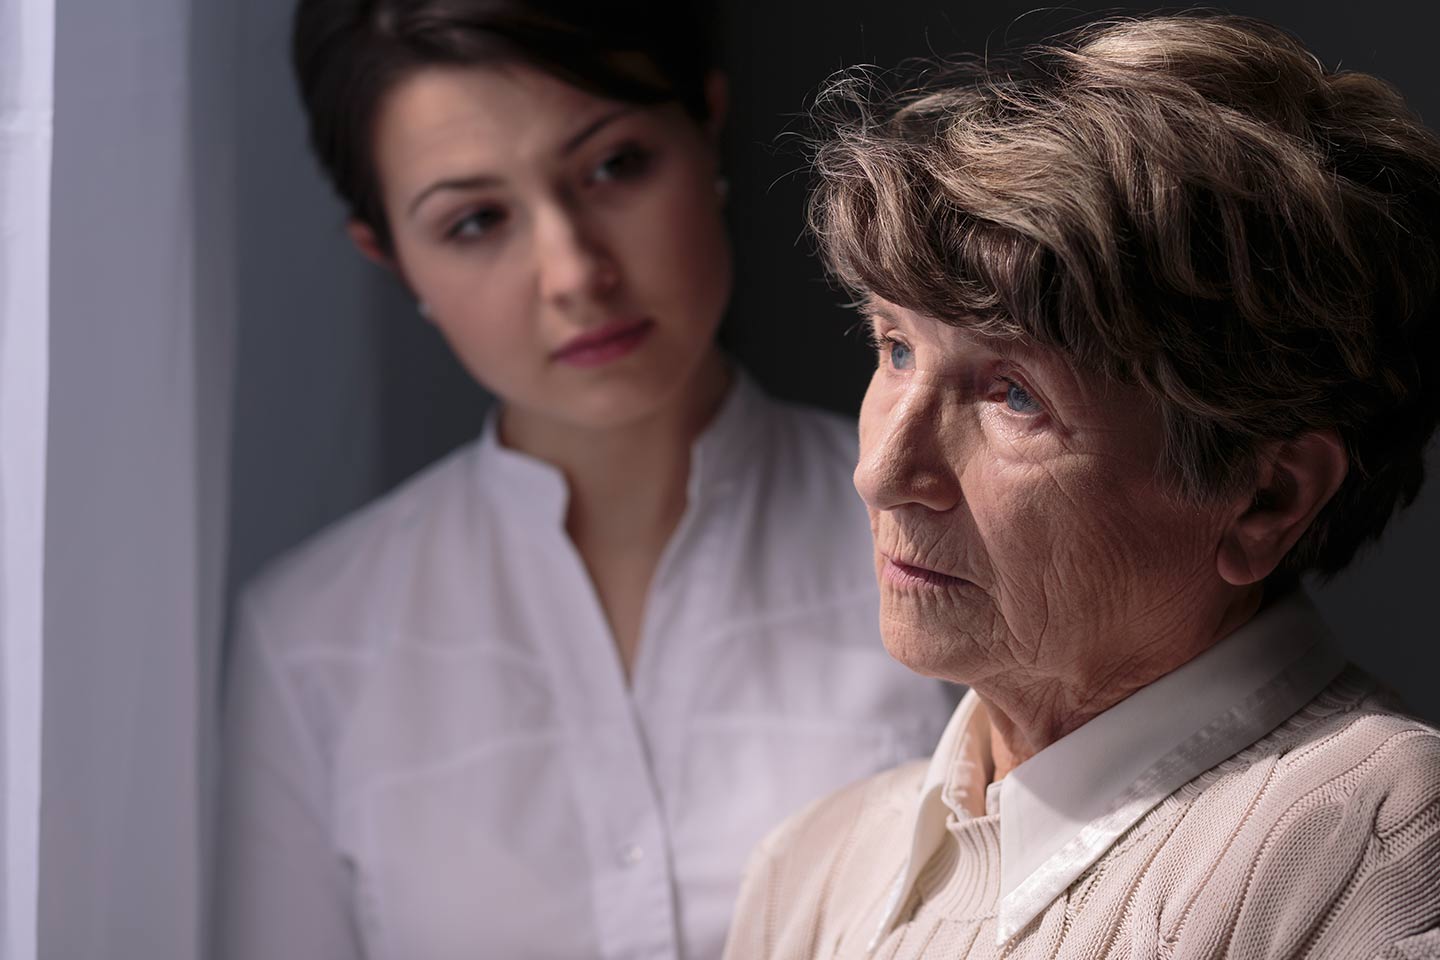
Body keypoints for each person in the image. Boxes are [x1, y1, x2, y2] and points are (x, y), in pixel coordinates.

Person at [210, 2, 957, 958]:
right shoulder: (312, 642)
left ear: (707, 126)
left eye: (615, 166)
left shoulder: (952, 531)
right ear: (391, 257)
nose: (573, 272)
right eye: (476, 221)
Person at [723, 13, 1440, 959]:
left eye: (1015, 394)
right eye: (895, 348)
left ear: (1267, 498)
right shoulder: (808, 872)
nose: (884, 472)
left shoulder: (1386, 850)